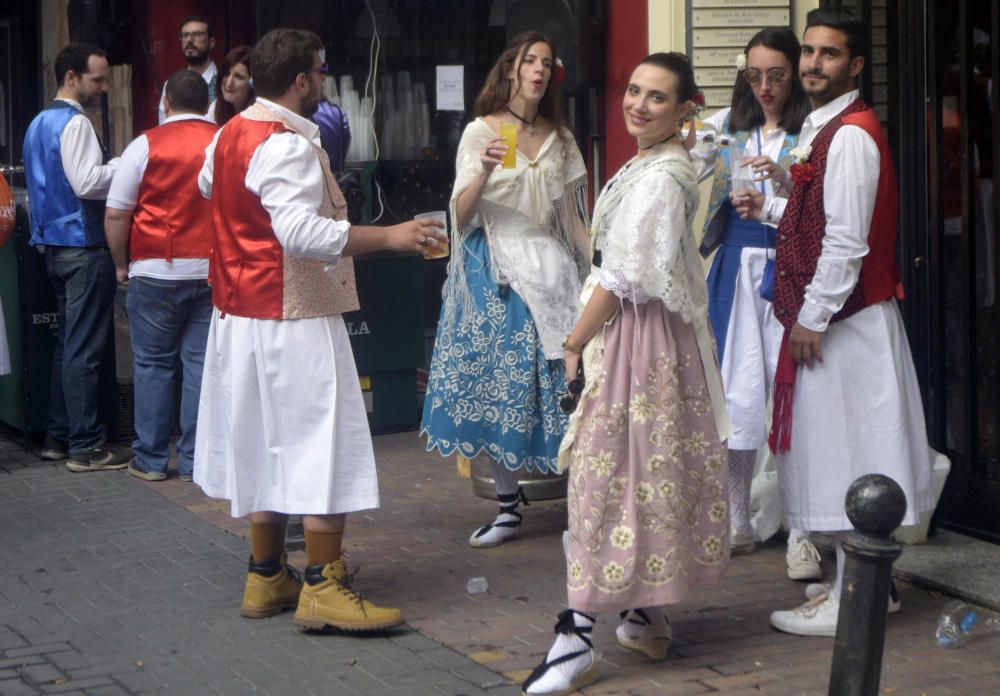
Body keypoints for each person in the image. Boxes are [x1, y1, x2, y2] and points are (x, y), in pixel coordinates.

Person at [193, 28, 446, 631]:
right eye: (321, 71)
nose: (325, 80)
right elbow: (300, 233)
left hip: (240, 315)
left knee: (263, 439)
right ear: (303, 80)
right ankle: (322, 585)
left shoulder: (231, 132)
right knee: (321, 441)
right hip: (291, 316)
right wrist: (391, 235)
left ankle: (266, 575)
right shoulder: (285, 145)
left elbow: (209, 185)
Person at [522, 53, 730, 695]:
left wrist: (574, 339)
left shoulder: (666, 175)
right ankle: (645, 609)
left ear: (684, 108)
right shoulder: (652, 162)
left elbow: (626, 273)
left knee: (607, 473)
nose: (638, 105)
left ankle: (578, 633)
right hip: (648, 334)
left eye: (657, 98)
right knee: (644, 468)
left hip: (639, 338)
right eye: (634, 92)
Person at [733, 9, 934, 636]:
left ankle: (860, 595)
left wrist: (811, 318)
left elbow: (846, 240)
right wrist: (771, 208)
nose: (815, 64)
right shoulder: (830, 128)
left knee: (850, 449)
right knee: (848, 446)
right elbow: (819, 216)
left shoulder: (847, 134)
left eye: (828, 54)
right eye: (811, 52)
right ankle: (860, 585)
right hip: (843, 319)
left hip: (844, 323)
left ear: (855, 66)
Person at [420, 31, 590, 548]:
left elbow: (570, 215)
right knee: (501, 385)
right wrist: (488, 168)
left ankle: (585, 500)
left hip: (550, 263)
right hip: (493, 267)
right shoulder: (482, 131)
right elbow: (460, 214)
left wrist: (598, 265)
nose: (537, 70)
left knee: (566, 385)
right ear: (511, 70)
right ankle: (507, 505)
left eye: (545, 62)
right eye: (528, 61)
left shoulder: (560, 137)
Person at [694, 28, 822, 577]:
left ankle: (805, 530)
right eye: (754, 75)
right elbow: (685, 164)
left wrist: (786, 185)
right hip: (736, 268)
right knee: (737, 394)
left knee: (798, 399)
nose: (765, 86)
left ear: (794, 74)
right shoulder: (727, 125)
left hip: (792, 269)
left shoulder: (813, 130)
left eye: (776, 75)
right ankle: (736, 514)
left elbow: (823, 205)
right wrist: (686, 142)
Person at [104, 70, 218, 483]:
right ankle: (195, 461)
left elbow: (117, 212)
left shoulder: (143, 146)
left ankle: (151, 459)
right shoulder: (227, 140)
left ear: (165, 101)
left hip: (154, 269)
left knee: (152, 365)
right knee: (201, 366)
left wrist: (121, 263)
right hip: (212, 271)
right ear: (208, 104)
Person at [22, 43, 127, 472]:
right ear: (71, 78)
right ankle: (84, 446)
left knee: (69, 346)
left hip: (53, 246)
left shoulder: (37, 123)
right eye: (96, 79)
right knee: (83, 351)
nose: (103, 88)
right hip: (83, 247)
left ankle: (58, 437)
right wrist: (124, 163)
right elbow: (86, 182)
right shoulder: (76, 123)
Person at [158, 16, 217, 124]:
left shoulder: (225, 83)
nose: (189, 40)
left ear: (211, 42)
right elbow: (164, 126)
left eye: (197, 34)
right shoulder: (171, 85)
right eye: (185, 35)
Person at [211, 45, 254, 125]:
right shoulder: (214, 109)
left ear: (252, 83)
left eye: (238, 77)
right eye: (226, 74)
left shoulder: (259, 115)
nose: (229, 83)